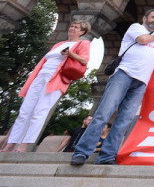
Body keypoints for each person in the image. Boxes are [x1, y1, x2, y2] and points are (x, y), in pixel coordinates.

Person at [70, 9, 154, 166]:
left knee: (124, 120)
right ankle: (81, 152)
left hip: (141, 83)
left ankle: (107, 156)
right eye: (153, 17)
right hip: (124, 75)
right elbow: (142, 39)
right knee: (103, 113)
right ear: (144, 18)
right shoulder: (137, 28)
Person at [2, 20, 91, 153]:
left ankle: (25, 145)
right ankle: (11, 143)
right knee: (24, 111)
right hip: (40, 76)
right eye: (71, 26)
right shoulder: (59, 44)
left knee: (39, 112)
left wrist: (70, 54)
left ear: (82, 32)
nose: (72, 28)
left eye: (76, 27)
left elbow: (84, 60)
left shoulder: (83, 43)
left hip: (55, 79)